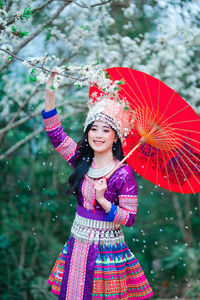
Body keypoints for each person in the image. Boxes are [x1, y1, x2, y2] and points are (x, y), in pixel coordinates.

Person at [42, 72, 154, 300]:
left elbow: (129, 218)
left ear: (115, 138)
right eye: (94, 129)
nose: (99, 135)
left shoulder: (123, 174)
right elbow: (55, 134)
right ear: (88, 132)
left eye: (106, 130)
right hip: (78, 243)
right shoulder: (80, 160)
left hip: (108, 252)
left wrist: (103, 201)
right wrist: (49, 95)